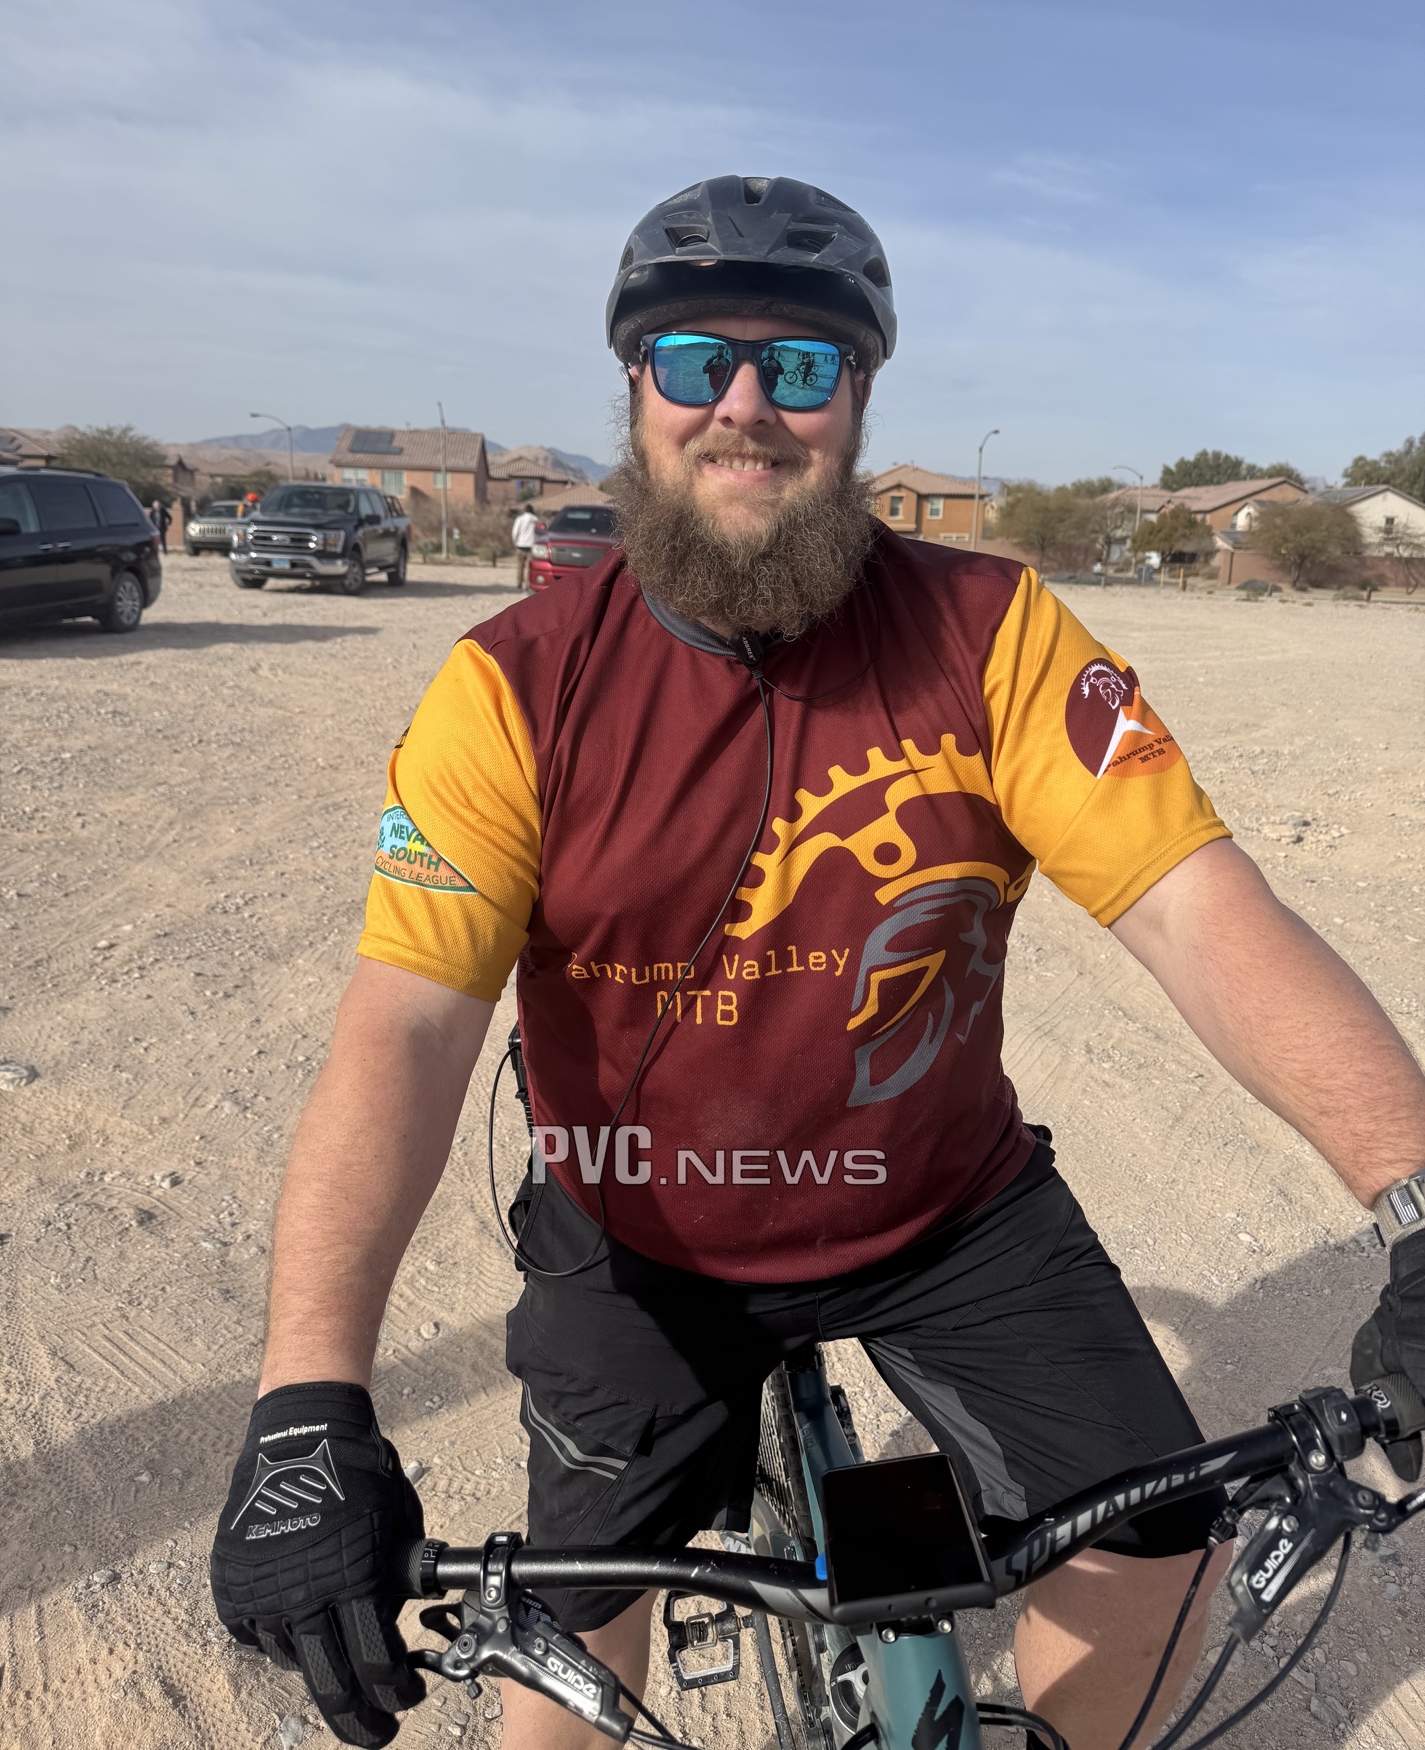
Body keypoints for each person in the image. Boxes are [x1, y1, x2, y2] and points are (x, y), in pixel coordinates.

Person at [210, 175, 1425, 1750]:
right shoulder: (509, 686)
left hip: (947, 1211)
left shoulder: (996, 632)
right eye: (693, 358)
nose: (745, 406)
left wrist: (1413, 1197)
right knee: (568, 1639)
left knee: (1155, 1553)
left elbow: (1195, 909)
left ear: (854, 400)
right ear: (634, 390)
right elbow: (410, 1022)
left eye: (798, 365)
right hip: (639, 1235)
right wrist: (308, 1405)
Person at [511, 504, 539, 590]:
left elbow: (515, 532)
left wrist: (515, 543)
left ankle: (519, 582)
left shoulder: (520, 519)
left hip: (521, 545)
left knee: (520, 565)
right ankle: (527, 584)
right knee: (529, 567)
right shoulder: (536, 519)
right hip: (531, 546)